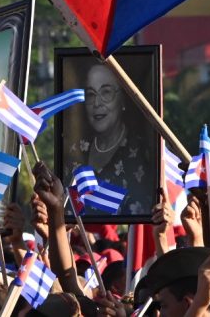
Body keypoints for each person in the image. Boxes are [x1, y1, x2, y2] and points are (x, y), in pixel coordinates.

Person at [66, 63, 154, 215]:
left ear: (123, 100)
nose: (97, 103)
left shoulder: (142, 153)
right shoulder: (75, 150)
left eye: (106, 92)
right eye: (91, 94)